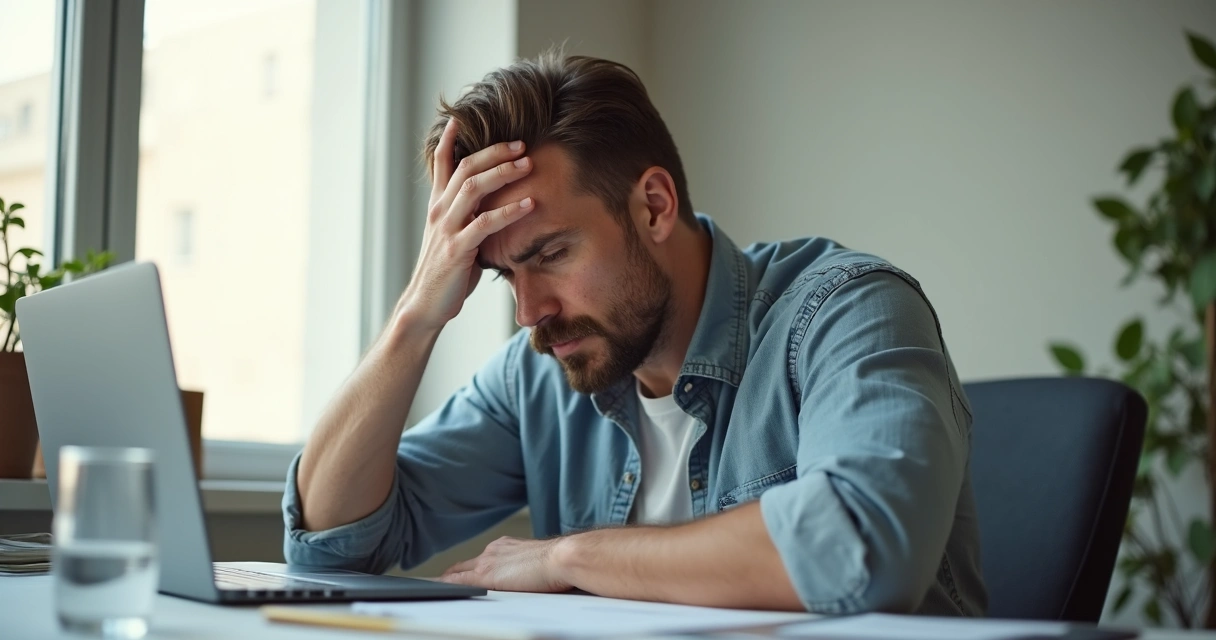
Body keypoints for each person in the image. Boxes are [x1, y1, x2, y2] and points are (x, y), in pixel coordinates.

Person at [282, 52, 987, 616]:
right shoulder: (540, 374)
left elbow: (866, 544)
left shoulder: (844, 310)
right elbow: (331, 545)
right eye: (503, 275)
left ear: (653, 206)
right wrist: (417, 313)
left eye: (552, 254)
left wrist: (569, 557)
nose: (530, 312)